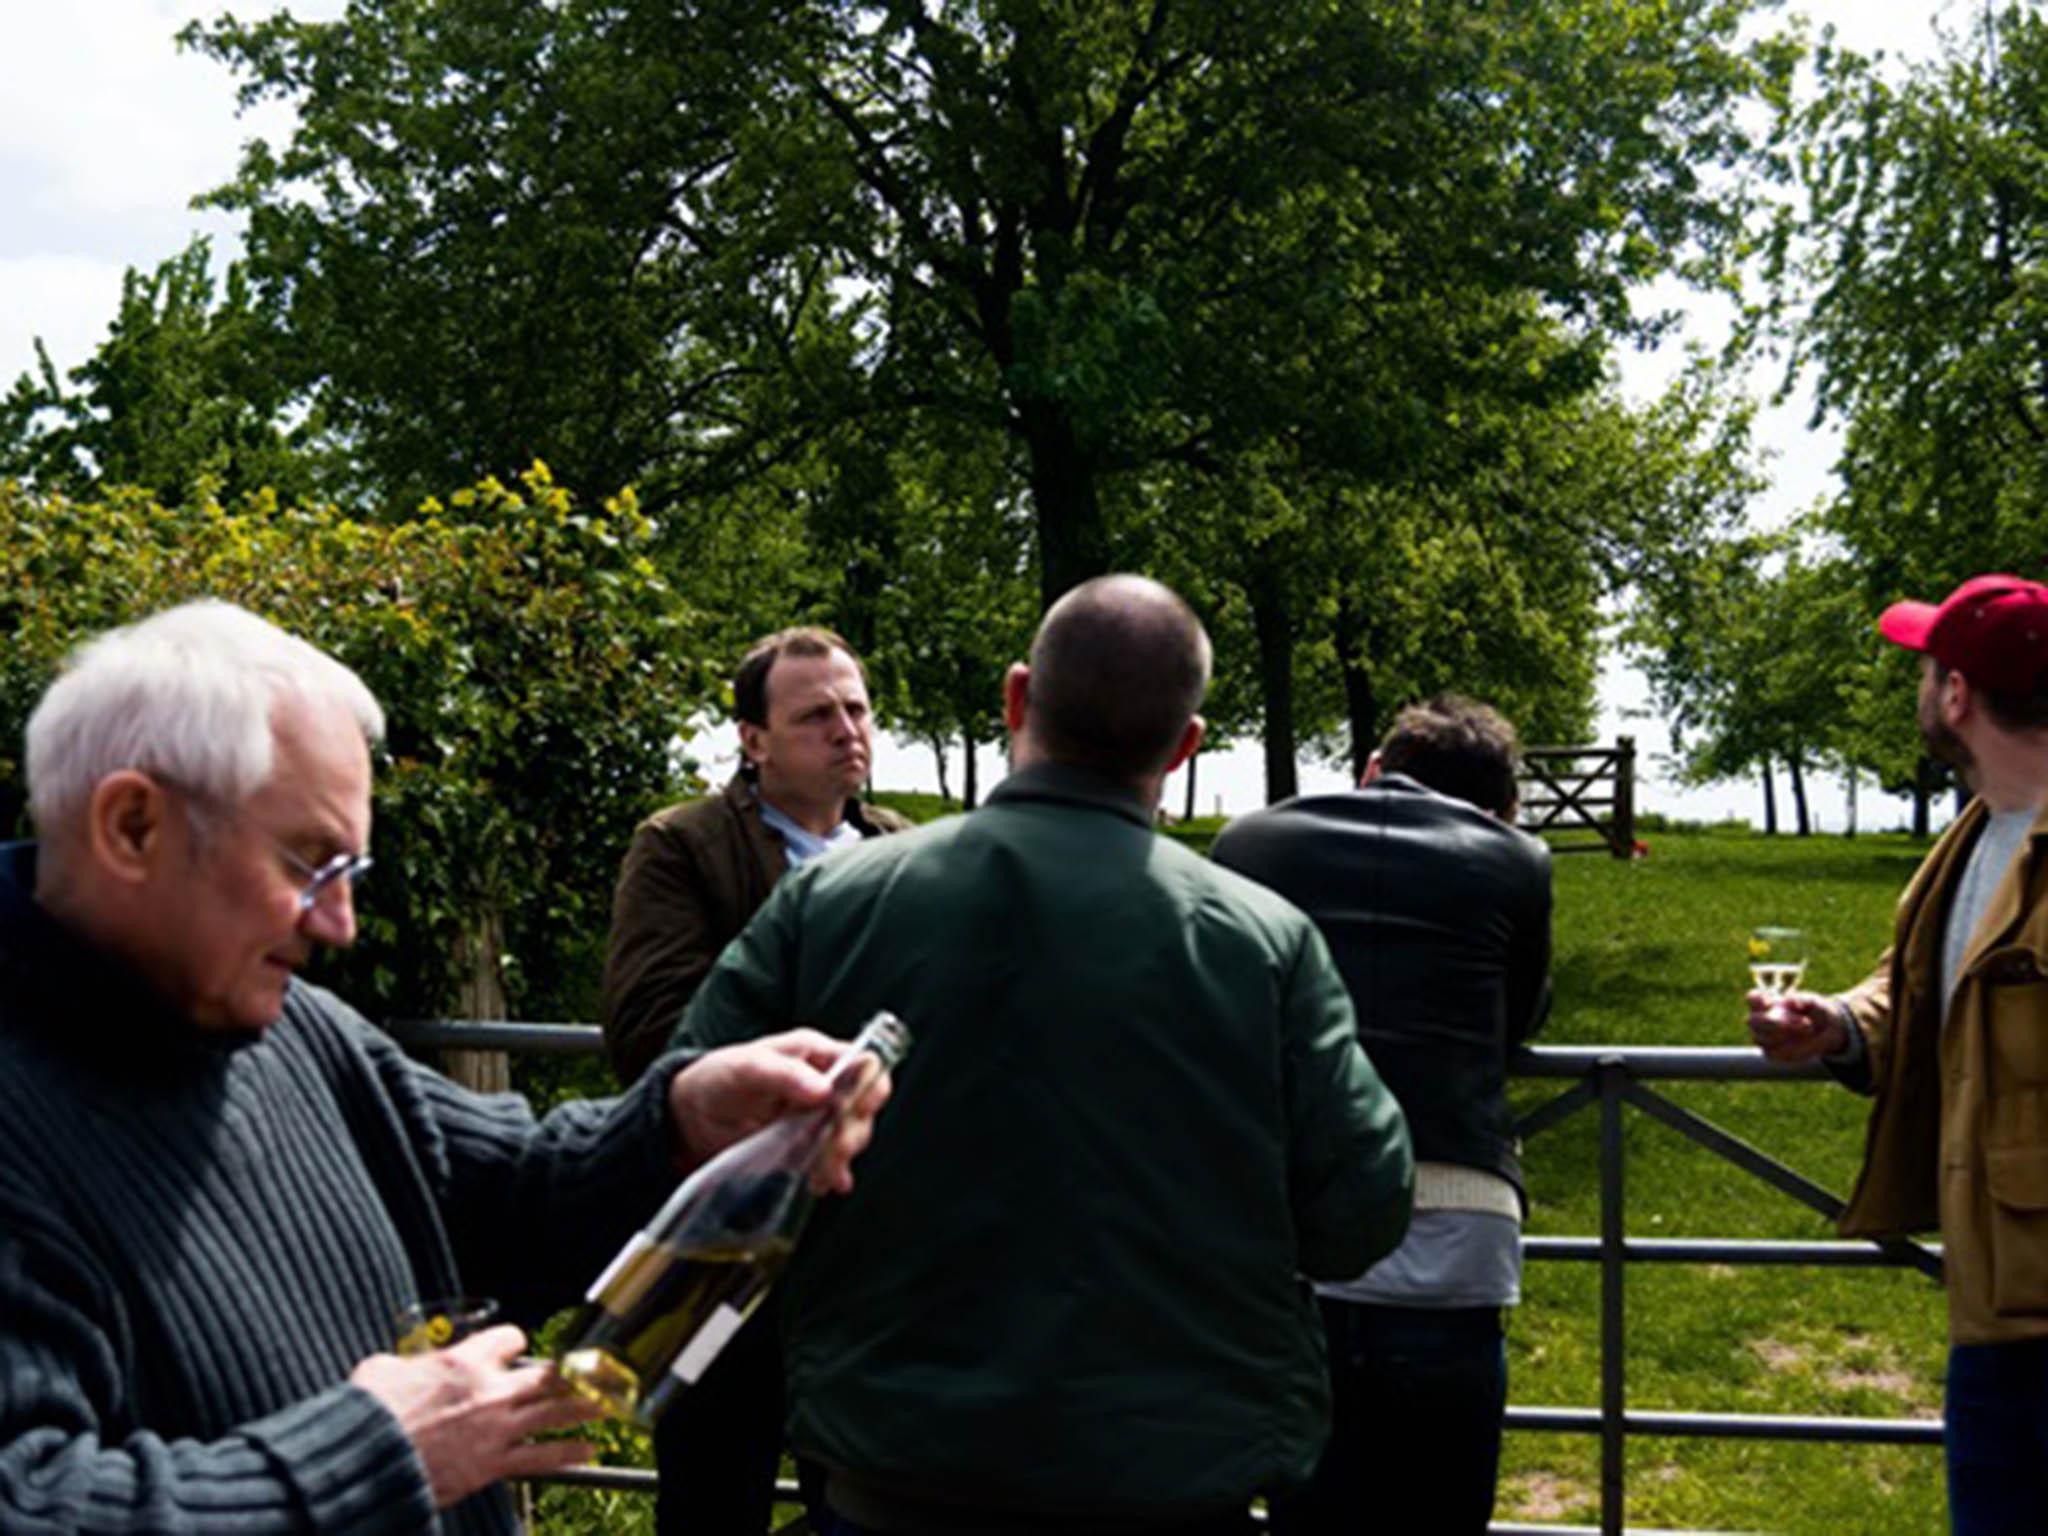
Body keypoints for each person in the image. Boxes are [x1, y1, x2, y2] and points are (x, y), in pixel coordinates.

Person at [0, 601, 889, 1536]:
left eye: (351, 868)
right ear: (132, 826)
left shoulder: (292, 1027)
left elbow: (502, 1193)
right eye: (306, 862)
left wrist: (677, 1124)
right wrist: (379, 1454)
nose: (337, 923)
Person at [676, 574, 1415, 1535]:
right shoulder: (1265, 942)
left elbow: (686, 1116)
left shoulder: (831, 903)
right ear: (1184, 747)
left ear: (1018, 697)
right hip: (1177, 1479)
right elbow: (1362, 1208)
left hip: (894, 1477)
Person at [1745, 574, 2048, 1536]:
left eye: (1925, 671)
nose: (1917, 691)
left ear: (1957, 693)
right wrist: (1838, 1024)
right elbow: (1918, 987)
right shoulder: (1978, 834)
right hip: (1995, 1310)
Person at [1212, 694, 1551, 1535]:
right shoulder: (1520, 862)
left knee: (1306, 1509)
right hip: (1456, 1234)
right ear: (1500, 807)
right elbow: (1519, 1015)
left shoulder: (1247, 844)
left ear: (1372, 771)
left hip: (1293, 1231)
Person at [601, 625, 910, 1534]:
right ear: (753, 739)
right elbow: (651, 1032)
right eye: (816, 714)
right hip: (734, 1231)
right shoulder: (683, 846)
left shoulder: (900, 845)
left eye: (856, 707)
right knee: (712, 1492)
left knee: (859, 1496)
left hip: (869, 1245)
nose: (848, 728)